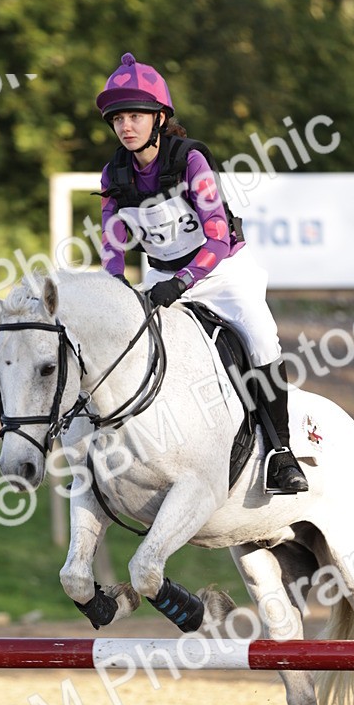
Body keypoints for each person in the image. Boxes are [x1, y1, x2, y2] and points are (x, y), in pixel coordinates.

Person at [96, 51, 308, 495]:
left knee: (263, 337)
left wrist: (184, 282)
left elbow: (215, 238)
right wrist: (114, 289)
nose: (125, 126)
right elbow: (112, 248)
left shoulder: (191, 161)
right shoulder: (114, 174)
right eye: (118, 119)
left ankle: (281, 453)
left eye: (135, 116)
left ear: (159, 118)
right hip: (160, 276)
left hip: (221, 271)